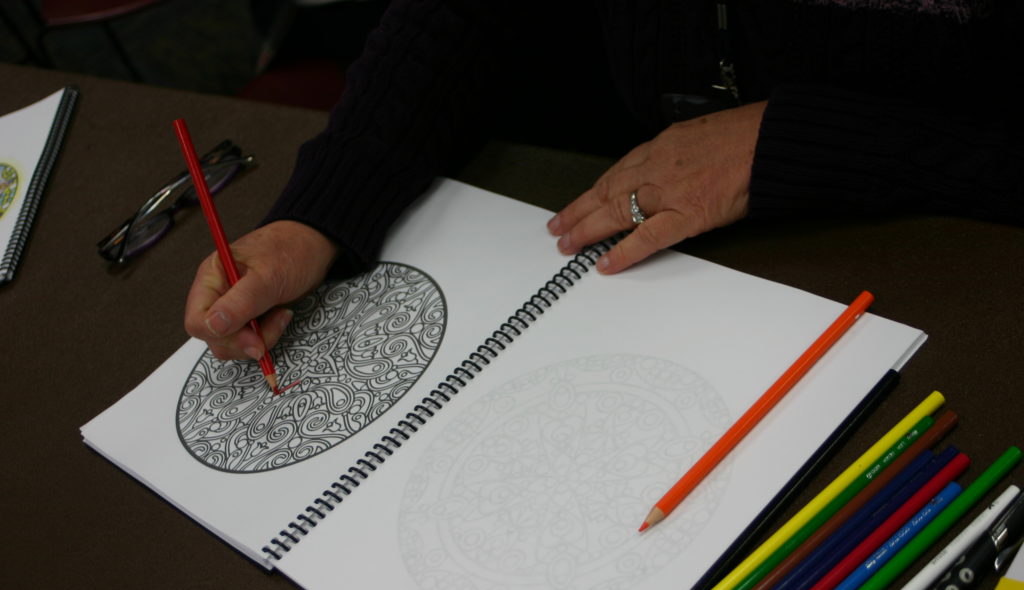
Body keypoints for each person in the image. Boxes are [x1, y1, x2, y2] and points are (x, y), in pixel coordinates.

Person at [185, 0, 1023, 361]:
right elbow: (467, 14)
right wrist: (322, 210)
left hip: (951, 260)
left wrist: (791, 140)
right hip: (664, 261)